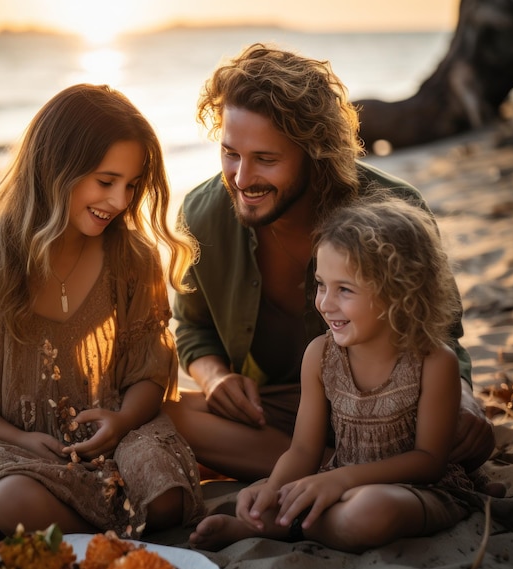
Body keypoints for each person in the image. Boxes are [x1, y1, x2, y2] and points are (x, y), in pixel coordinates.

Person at [164, 43, 494, 483]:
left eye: (266, 159)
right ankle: (333, 471)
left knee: (465, 436)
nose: (242, 179)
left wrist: (465, 398)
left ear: (314, 152)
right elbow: (192, 326)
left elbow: (443, 334)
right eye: (230, 153)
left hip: (389, 412)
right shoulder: (202, 215)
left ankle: (339, 471)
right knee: (159, 414)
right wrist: (215, 378)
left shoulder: (394, 207)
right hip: (278, 411)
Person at [0, 84, 205, 547]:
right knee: (12, 500)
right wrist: (19, 439)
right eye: (105, 182)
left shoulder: (132, 258)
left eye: (130, 185)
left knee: (166, 495)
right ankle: (111, 543)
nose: (119, 201)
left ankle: (85, 537)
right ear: (54, 168)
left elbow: (148, 372)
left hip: (105, 438)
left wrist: (123, 422)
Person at [189, 194, 484, 552]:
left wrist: (343, 480)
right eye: (320, 284)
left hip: (415, 491)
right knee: (259, 497)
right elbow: (302, 450)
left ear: (400, 293)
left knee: (369, 512)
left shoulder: (434, 361)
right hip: (339, 482)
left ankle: (278, 529)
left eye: (344, 289)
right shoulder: (320, 355)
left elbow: (429, 462)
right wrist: (272, 488)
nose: (325, 304)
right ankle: (275, 521)